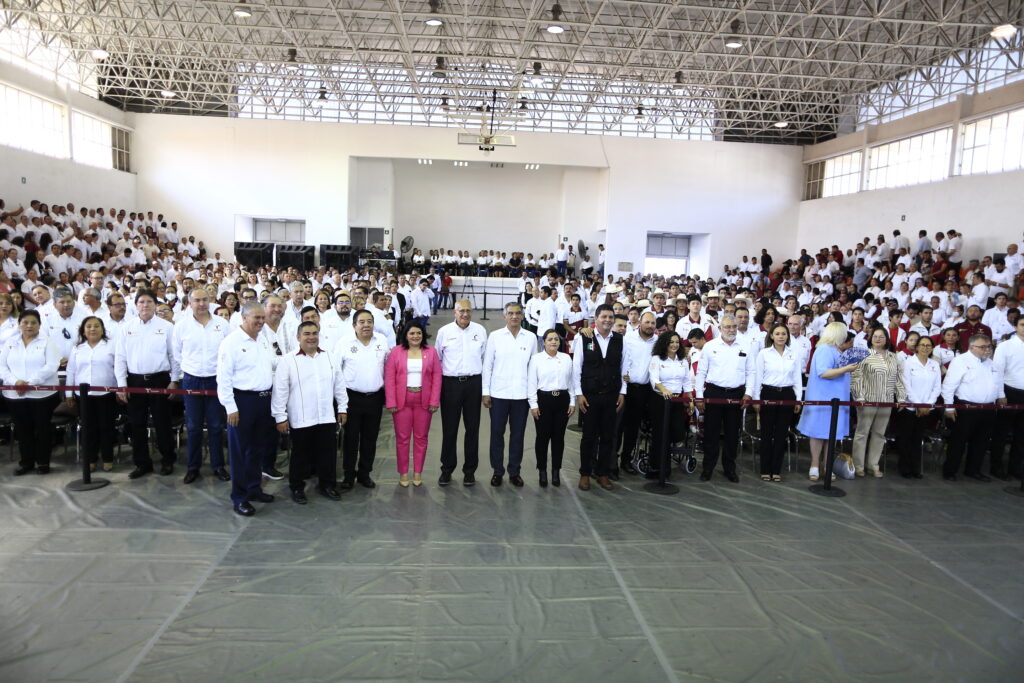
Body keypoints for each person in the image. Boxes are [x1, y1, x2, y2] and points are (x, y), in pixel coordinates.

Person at [272, 320, 348, 504]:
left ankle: (327, 485)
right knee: (300, 455)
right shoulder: (288, 361)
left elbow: (339, 385)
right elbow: (280, 391)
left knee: (327, 454)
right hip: (301, 418)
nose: (311, 337)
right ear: (298, 337)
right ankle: (297, 487)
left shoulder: (329, 357)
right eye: (306, 333)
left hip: (326, 416)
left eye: (314, 333)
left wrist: (342, 407)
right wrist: (280, 416)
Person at [217, 301, 277, 516]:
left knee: (257, 449)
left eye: (263, 318)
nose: (261, 322)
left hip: (263, 401)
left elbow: (273, 365)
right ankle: (239, 497)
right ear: (244, 317)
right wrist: (230, 407)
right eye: (256, 318)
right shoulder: (231, 342)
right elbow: (223, 378)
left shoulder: (264, 339)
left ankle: (254, 488)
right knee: (240, 452)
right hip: (242, 402)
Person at [115, 289, 180, 479]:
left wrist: (174, 380)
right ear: (136, 306)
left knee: (162, 423)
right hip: (135, 381)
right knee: (137, 424)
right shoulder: (126, 328)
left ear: (155, 305)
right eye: (141, 302)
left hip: (160, 379)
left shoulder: (167, 327)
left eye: (149, 302)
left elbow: (173, 356)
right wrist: (121, 384)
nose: (145, 305)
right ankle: (142, 463)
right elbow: (120, 358)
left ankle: (168, 460)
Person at [172, 288, 231, 484]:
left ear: (210, 300)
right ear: (190, 302)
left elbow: (228, 353)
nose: (201, 304)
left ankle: (218, 466)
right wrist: (183, 373)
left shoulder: (222, 324)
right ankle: (193, 467)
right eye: (197, 300)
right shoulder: (181, 326)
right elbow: (176, 354)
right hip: (192, 379)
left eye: (205, 300)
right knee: (194, 426)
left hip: (216, 379)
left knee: (215, 425)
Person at [482, 301, 536, 487]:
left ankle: (515, 471)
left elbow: (533, 368)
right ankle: (497, 471)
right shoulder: (495, 336)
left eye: (517, 313)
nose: (514, 316)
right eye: (510, 313)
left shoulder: (530, 337)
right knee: (497, 434)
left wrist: (532, 397)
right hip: (498, 394)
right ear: (505, 316)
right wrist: (486, 392)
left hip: (521, 396)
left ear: (522, 316)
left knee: (518, 435)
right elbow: (487, 365)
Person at [694, 314, 754, 482]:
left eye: (734, 327)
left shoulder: (745, 346)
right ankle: (708, 468)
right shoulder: (710, 346)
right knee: (711, 434)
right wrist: (699, 396)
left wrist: (748, 393)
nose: (731, 330)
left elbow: (751, 372)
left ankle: (729, 468)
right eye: (727, 327)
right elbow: (701, 372)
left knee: (732, 435)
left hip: (737, 394)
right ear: (720, 328)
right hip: (714, 393)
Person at [572, 304, 626, 490]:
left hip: (611, 396)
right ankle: (585, 473)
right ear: (596, 318)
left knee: (608, 437)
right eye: (604, 316)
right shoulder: (585, 337)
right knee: (588, 437)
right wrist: (579, 394)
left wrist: (622, 392)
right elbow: (576, 367)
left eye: (611, 317)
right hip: (590, 396)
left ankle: (602, 473)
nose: (608, 320)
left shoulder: (619, 340)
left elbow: (623, 368)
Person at [797, 322, 859, 481]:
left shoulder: (837, 350)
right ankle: (815, 464)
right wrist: (846, 369)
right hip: (824, 398)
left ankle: (827, 465)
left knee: (831, 434)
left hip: (836, 399)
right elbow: (824, 373)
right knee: (819, 433)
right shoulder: (824, 349)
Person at [1, 310, 60, 475]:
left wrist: (29, 383)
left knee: (42, 429)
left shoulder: (48, 342)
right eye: (25, 322)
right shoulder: (10, 342)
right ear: (19, 324)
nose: (29, 326)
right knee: (23, 429)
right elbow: (2, 366)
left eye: (34, 322)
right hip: (14, 395)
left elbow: (51, 366)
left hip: (42, 395)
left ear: (39, 325)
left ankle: (43, 462)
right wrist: (15, 382)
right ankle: (26, 462)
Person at [434, 300, 486, 486]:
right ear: (454, 312)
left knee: (472, 429)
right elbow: (437, 361)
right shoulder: (444, 332)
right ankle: (447, 469)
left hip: (473, 384)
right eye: (461, 311)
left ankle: (469, 471)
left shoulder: (479, 331)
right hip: (451, 385)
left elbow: (484, 358)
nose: (465, 314)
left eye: (468, 311)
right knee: (450, 429)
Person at [384, 321, 441, 487]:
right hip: (402, 401)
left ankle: (417, 472)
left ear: (423, 335)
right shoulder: (396, 352)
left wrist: (434, 401)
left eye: (418, 333)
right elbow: (389, 378)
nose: (415, 336)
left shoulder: (431, 352)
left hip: (424, 400)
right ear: (406, 335)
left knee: (421, 438)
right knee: (402, 439)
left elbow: (437, 377)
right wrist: (391, 401)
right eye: (412, 333)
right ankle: (403, 473)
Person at [336, 309, 389, 489]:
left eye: (369, 321)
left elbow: (389, 366)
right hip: (352, 398)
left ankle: (365, 473)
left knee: (370, 438)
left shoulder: (381, 341)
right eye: (362, 322)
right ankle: (349, 475)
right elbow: (336, 372)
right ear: (354, 325)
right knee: (350, 439)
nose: (366, 325)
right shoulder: (344, 342)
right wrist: (340, 403)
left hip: (375, 398)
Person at [942, 334, 1000, 482]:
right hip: (966, 407)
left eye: (988, 347)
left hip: (988, 408)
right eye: (982, 347)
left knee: (981, 442)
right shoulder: (960, 361)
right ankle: (950, 471)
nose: (986, 350)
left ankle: (973, 470)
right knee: (959, 441)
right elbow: (949, 386)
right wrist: (949, 407)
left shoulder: (991, 363)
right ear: (971, 347)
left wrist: (1001, 395)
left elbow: (997, 382)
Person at [850, 327, 906, 477]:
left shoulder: (894, 357)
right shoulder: (864, 355)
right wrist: (859, 397)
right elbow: (856, 377)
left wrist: (901, 397)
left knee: (880, 434)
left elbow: (899, 378)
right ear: (870, 338)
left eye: (881, 336)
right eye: (875, 336)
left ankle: (873, 465)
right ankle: (858, 465)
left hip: (886, 400)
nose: (878, 339)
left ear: (887, 339)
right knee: (862, 433)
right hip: (867, 400)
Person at [752, 323, 803, 482]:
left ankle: (776, 470)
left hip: (787, 394)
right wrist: (756, 399)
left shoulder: (793, 354)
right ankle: (765, 469)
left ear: (787, 336)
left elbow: (797, 379)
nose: (781, 336)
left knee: (781, 434)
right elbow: (757, 377)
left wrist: (798, 399)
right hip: (768, 393)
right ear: (772, 336)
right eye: (778, 333)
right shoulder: (764, 354)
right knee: (766, 433)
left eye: (784, 334)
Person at [65, 316, 117, 472]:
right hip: (84, 397)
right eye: (88, 326)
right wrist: (68, 393)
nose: (92, 329)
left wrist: (120, 389)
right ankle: (91, 459)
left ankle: (108, 458)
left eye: (96, 326)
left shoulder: (111, 346)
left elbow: (119, 368)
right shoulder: (77, 348)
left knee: (106, 427)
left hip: (107, 394)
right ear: (83, 330)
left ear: (102, 329)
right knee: (88, 428)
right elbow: (71, 371)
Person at [528, 329, 575, 487]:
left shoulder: (566, 358)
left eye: (556, 339)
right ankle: (542, 471)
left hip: (562, 400)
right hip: (543, 400)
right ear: (544, 342)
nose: (554, 342)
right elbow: (532, 383)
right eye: (550, 339)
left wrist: (572, 401)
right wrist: (533, 404)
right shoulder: (536, 359)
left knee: (558, 438)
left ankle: (556, 471)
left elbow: (571, 381)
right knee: (542, 437)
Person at [647, 331, 694, 479]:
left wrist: (691, 399)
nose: (674, 345)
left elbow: (687, 382)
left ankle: (666, 465)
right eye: (671, 342)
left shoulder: (683, 360)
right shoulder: (657, 359)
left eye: (676, 342)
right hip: (660, 401)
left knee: (676, 432)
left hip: (677, 402)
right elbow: (654, 379)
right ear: (665, 344)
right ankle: (658, 468)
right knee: (660, 436)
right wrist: (664, 390)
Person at [617, 311, 658, 474]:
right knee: (618, 427)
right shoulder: (628, 339)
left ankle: (626, 460)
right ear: (640, 322)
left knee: (633, 429)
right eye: (647, 322)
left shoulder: (658, 342)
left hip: (644, 391)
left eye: (653, 323)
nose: (650, 326)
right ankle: (611, 461)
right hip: (625, 389)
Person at [895, 335, 941, 479]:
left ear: (932, 348)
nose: (925, 348)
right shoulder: (908, 363)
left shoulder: (934, 364)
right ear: (916, 347)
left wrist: (927, 404)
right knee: (905, 439)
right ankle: (905, 468)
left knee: (918, 440)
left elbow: (937, 387)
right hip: (910, 407)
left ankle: (916, 468)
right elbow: (906, 386)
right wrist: (918, 404)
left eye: (928, 345)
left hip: (926, 409)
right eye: (922, 345)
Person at [992, 316, 1024, 480]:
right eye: (1022, 325)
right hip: (1009, 392)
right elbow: (997, 372)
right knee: (1001, 433)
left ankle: (1015, 468)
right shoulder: (1005, 346)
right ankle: (996, 467)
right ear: (1016, 326)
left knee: (1021, 436)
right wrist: (1000, 394)